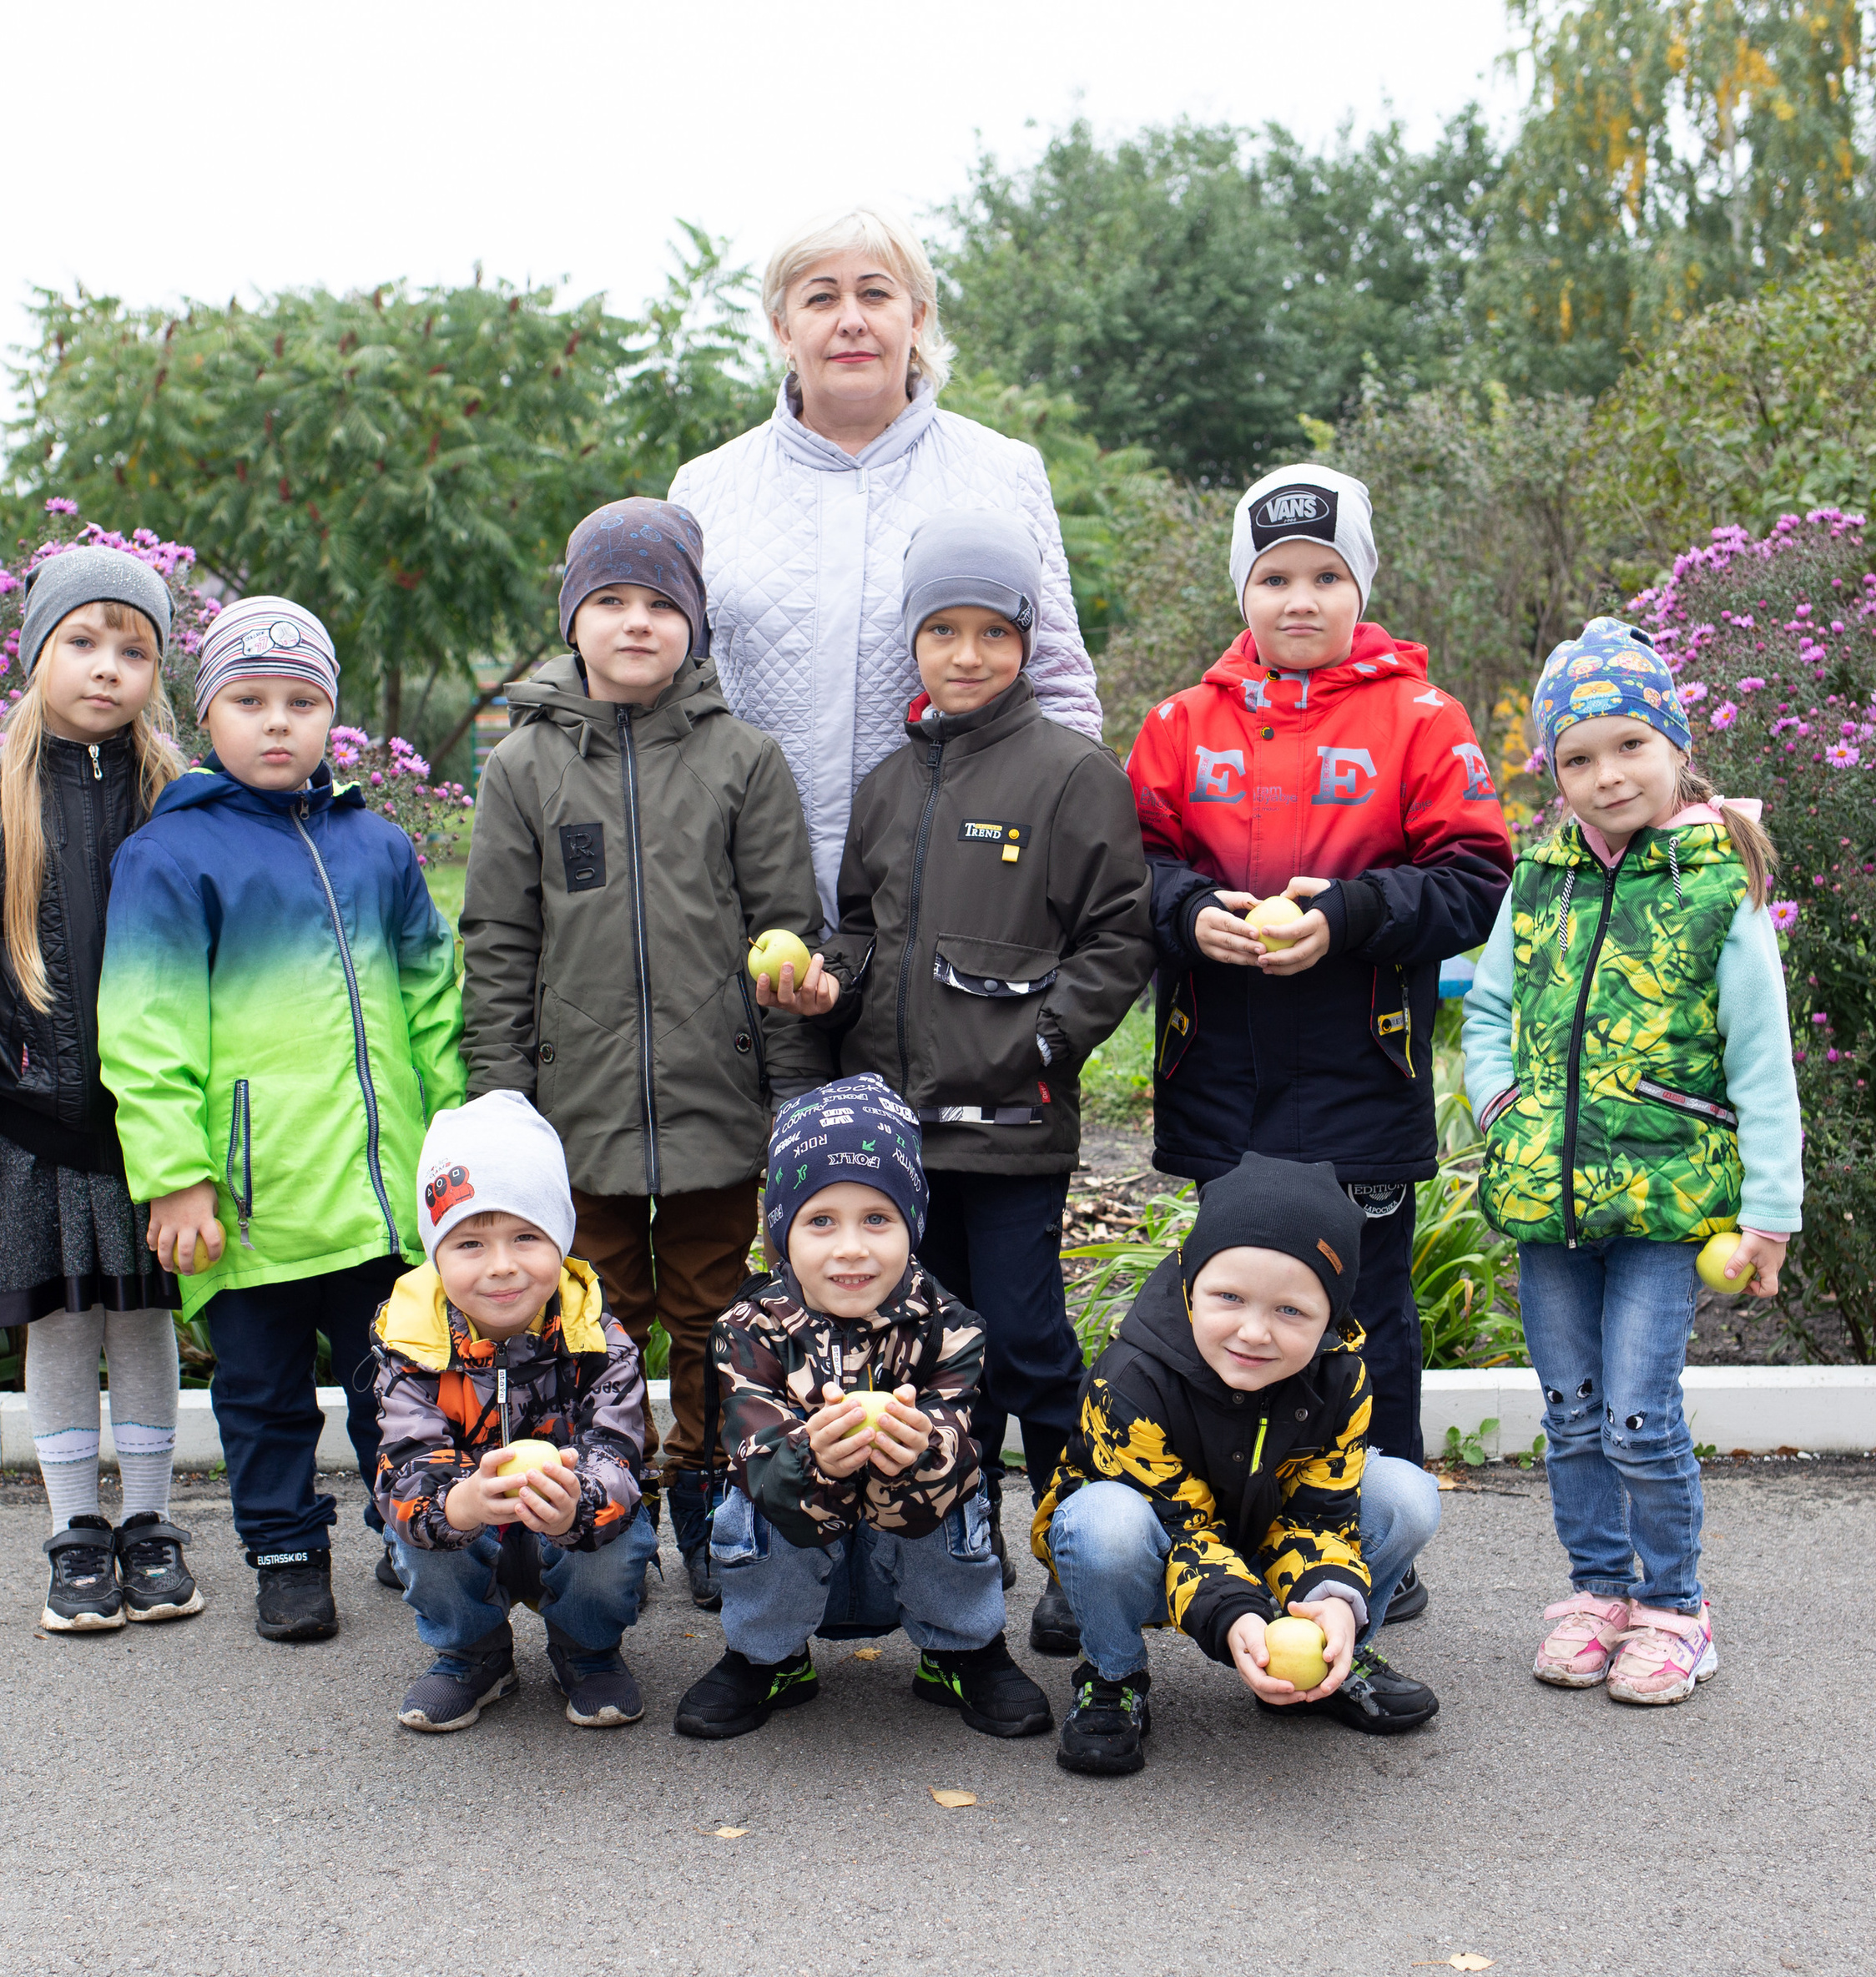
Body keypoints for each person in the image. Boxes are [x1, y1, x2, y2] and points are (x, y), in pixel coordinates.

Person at [1124, 461, 1514, 1618]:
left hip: (1362, 1082)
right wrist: (1189, 916)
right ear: (1242, 591)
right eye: (1275, 576)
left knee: (1368, 1324)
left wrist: (1344, 919)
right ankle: (1227, 1540)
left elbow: (1474, 879)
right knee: (1230, 1313)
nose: (1300, 599)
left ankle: (1371, 1558)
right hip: (1222, 1082)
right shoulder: (1179, 724)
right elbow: (1128, 875)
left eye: (1327, 576)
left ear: (1363, 585)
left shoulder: (1422, 719)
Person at [764, 509, 1151, 1651]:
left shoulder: (1073, 775)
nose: (969, 654)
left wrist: (1038, 1044)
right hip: (902, 1147)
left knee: (1030, 1345)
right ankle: (956, 1551)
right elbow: (865, 935)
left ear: (1028, 642)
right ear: (915, 641)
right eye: (945, 630)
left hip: (1013, 1129)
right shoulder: (889, 784)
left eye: (994, 631)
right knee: (936, 1352)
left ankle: (1079, 1552)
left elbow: (1120, 942)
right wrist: (825, 984)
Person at [458, 499, 822, 1607]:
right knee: (596, 1316)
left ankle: (707, 1485)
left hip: (719, 1102)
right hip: (577, 1111)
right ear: (573, 620)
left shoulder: (742, 761)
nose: (636, 623)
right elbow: (500, 946)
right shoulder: (522, 769)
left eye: (662, 603)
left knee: (716, 1307)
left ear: (694, 625)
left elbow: (785, 930)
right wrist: (499, 1115)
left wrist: (795, 1102)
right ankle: (607, 1491)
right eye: (610, 601)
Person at [99, 596, 465, 1644]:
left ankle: (409, 1525)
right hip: (247, 1203)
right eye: (248, 700)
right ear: (205, 716)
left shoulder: (379, 846)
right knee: (262, 1399)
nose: (276, 723)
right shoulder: (171, 858)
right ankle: (287, 1551)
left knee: (400, 1382)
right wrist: (176, 1171)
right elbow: (144, 1027)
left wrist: (452, 1151)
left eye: (300, 702)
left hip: (383, 1197)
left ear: (329, 720)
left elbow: (434, 1000)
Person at [1465, 618, 1801, 1707]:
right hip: (1546, 1198)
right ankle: (1599, 1591)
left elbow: (1763, 1066)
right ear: (1553, 770)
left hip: (1665, 1202)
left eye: (1628, 748)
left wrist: (1771, 1217)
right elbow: (1488, 1013)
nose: (1606, 777)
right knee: (1569, 1410)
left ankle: (1675, 1607)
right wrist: (1502, 1105)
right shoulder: (1542, 874)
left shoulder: (1718, 885)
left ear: (1673, 746)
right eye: (1577, 758)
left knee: (1639, 1417)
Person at [670, 205, 1101, 925]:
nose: (851, 319)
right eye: (820, 297)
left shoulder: (1002, 472)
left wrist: (1048, 851)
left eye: (875, 293)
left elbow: (1060, 687)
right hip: (746, 894)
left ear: (918, 316)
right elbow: (673, 701)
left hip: (954, 893)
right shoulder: (706, 487)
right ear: (782, 328)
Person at [0, 546, 197, 1635]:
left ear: (155, 672)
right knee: (64, 1327)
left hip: (147, 1129)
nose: (106, 667)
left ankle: (153, 1528)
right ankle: (79, 1533)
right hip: (27, 1124)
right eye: (82, 641)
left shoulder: (178, 796)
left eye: (133, 649)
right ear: (36, 652)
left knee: (141, 1324)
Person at [1037, 1152, 1444, 1778]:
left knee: (1407, 1494)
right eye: (1229, 1297)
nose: (1254, 1332)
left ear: (1330, 1318)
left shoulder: (1342, 1377)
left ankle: (1331, 1656)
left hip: (1260, 1534)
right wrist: (1236, 1618)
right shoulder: (1131, 1380)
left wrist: (1329, 1594)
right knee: (1102, 1521)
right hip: (1148, 1553)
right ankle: (1113, 1674)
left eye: (1291, 1312)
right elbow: (1181, 1532)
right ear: (1191, 1286)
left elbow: (1323, 1516)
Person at [674, 1075, 1052, 1741]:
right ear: (782, 1233)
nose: (851, 1247)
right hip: (796, 1550)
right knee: (753, 1493)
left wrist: (923, 1451)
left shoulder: (951, 1327)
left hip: (902, 1548)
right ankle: (767, 1654)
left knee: (959, 1481)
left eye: (877, 1219)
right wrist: (807, 1454)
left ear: (914, 1227)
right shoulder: (749, 1331)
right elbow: (755, 1460)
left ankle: (962, 1649)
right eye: (821, 1221)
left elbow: (962, 1443)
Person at [371, 1091, 658, 1732]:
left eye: (527, 1236)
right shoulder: (410, 1344)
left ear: (560, 1240)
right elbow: (406, 1468)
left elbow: (618, 1455)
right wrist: (461, 1504)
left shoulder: (599, 1341)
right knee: (414, 1532)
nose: (502, 1267)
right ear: (435, 1255)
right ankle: (474, 1653)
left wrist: (575, 1504)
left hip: (569, 1519)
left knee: (618, 1531)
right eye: (469, 1243)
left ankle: (587, 1648)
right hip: (472, 1523)